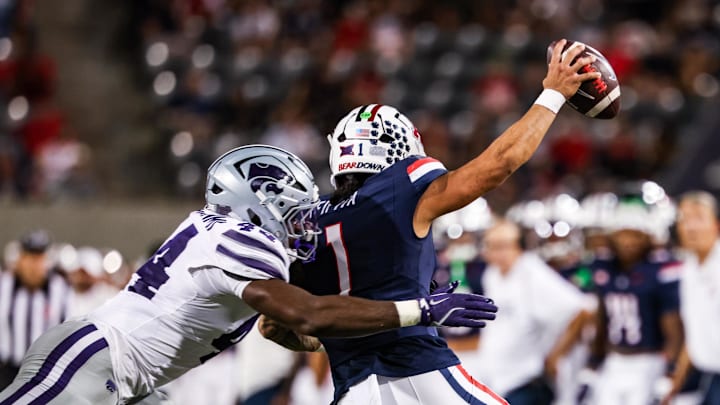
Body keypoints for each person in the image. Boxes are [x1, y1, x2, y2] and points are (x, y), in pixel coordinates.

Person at [0, 145, 497, 405]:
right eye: (290, 202)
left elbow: (281, 326)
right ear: (255, 197)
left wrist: (347, 335)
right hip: (95, 362)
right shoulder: (242, 241)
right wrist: (421, 311)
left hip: (133, 381)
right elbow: (310, 313)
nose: (302, 214)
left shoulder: (216, 230)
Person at [264, 40, 601, 404]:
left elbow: (274, 325)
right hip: (421, 378)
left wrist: (340, 333)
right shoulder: (399, 188)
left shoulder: (307, 221)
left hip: (354, 392)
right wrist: (552, 95)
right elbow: (499, 164)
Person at [470, 219, 588, 405]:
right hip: (498, 379)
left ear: (519, 246)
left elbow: (580, 310)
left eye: (502, 246)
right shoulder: (492, 274)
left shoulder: (532, 273)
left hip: (527, 379)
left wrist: (555, 357)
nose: (495, 252)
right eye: (491, 246)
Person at [586, 200, 684, 405]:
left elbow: (673, 327)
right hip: (614, 360)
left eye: (635, 234)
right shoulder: (605, 266)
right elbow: (602, 318)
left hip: (649, 360)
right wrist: (593, 361)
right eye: (623, 233)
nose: (628, 242)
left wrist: (670, 369)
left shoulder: (660, 269)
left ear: (648, 236)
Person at [663, 191, 720, 405]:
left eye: (698, 217)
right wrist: (677, 382)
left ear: (716, 224)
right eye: (684, 219)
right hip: (709, 375)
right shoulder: (689, 268)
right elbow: (695, 331)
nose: (690, 226)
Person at [0, 230, 70, 391]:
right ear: (20, 259)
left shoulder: (60, 288)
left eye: (39, 258)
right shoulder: (4, 285)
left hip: (43, 372)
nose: (33, 265)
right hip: (6, 370)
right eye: (29, 257)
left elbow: (66, 329)